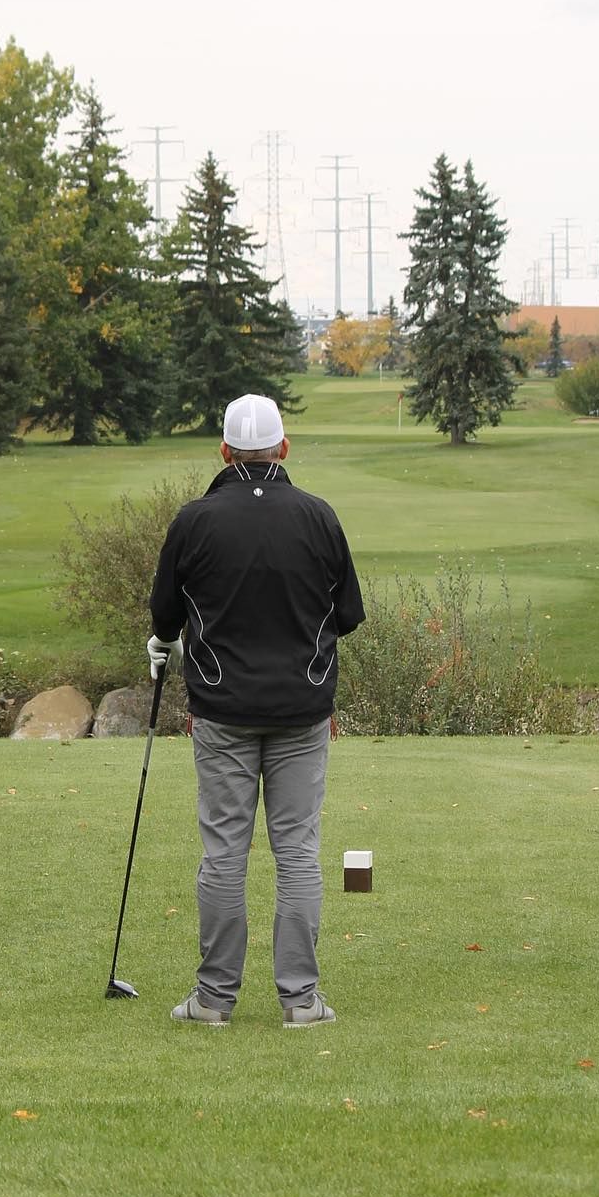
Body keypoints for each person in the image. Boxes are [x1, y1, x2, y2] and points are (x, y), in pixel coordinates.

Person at [148, 393, 365, 1027]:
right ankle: (300, 1001)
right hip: (303, 707)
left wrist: (170, 642)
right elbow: (346, 616)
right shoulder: (318, 517)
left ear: (223, 451)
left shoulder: (195, 519)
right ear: (284, 448)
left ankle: (214, 1000)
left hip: (221, 711)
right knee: (296, 850)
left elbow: (164, 617)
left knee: (224, 852)